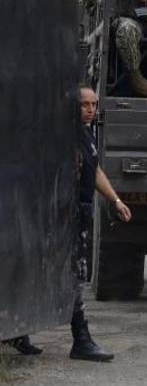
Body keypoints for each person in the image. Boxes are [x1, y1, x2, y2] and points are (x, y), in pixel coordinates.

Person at [2, 86, 133, 361]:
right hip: (59, 215)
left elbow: (94, 170)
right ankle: (80, 339)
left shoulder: (86, 134)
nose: (90, 109)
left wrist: (115, 200)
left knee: (66, 273)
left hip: (78, 212)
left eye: (93, 104)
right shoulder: (59, 136)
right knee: (68, 274)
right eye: (84, 104)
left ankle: (19, 333)